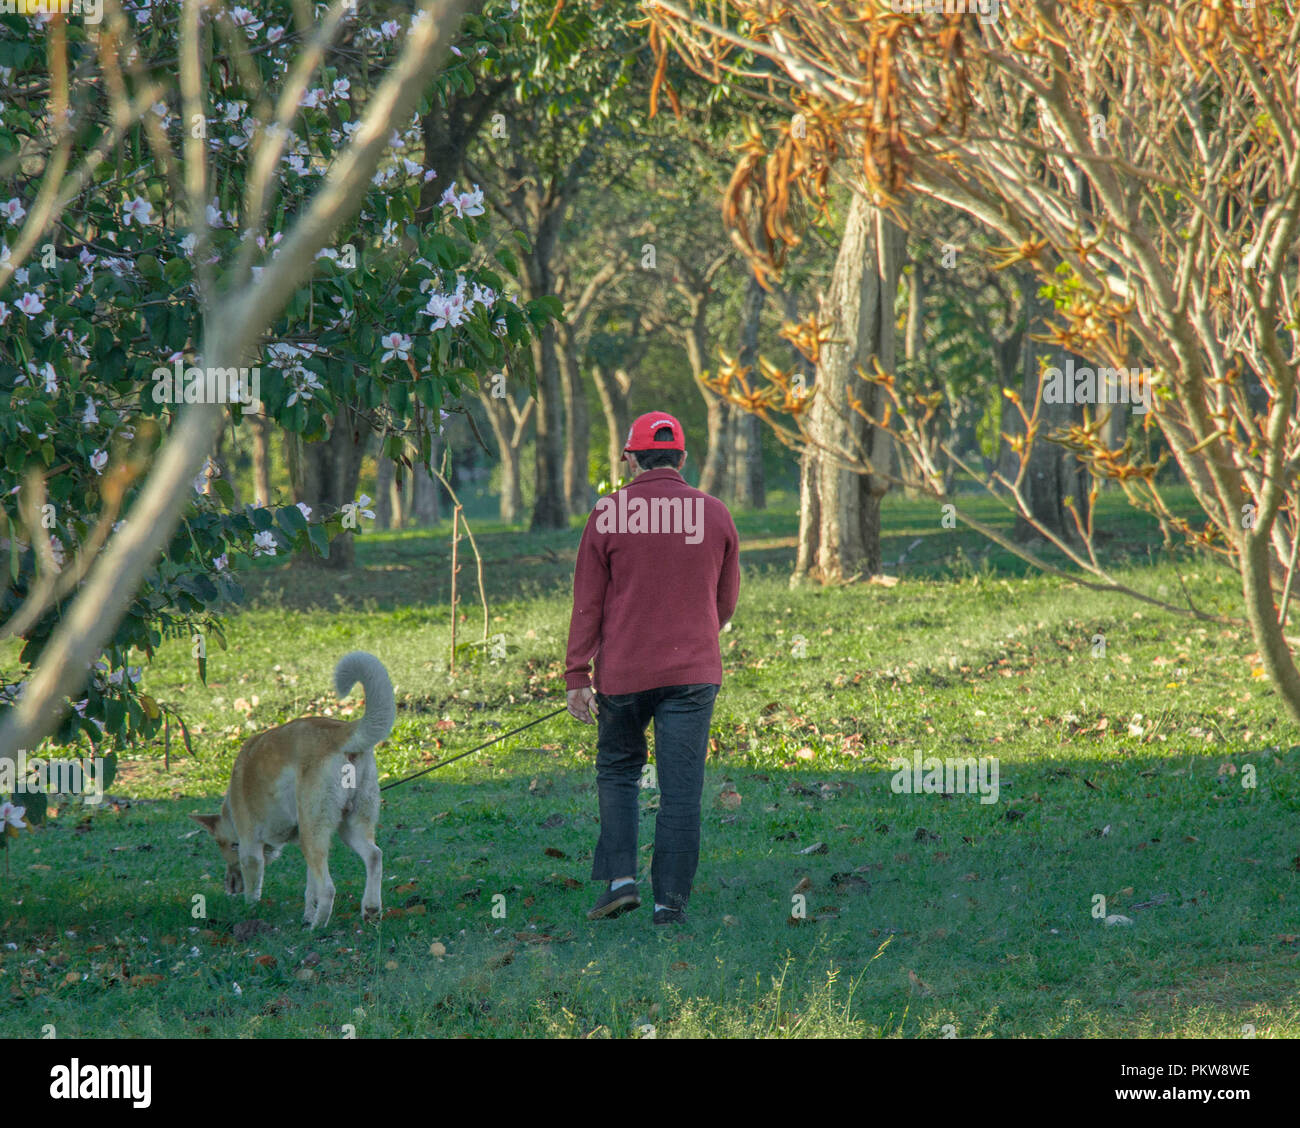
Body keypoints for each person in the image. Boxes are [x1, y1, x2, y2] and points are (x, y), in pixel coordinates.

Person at [564, 411, 740, 926]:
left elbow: (587, 603)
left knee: (619, 770)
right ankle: (670, 905)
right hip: (694, 672)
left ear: (631, 459)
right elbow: (724, 603)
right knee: (681, 787)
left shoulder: (608, 514)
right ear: (683, 458)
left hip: (623, 673)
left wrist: (578, 674)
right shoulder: (715, 514)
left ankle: (620, 881)